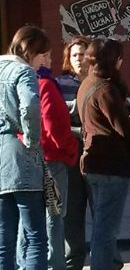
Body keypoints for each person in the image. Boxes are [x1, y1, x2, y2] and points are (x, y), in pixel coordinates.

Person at [77, 38, 130, 270]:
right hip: (110, 164)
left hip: (93, 162)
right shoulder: (105, 89)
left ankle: (109, 264)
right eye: (119, 58)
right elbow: (123, 127)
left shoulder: (88, 83)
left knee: (102, 223)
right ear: (114, 60)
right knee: (106, 229)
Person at [18, 49, 79, 270]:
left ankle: (24, 263)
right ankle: (54, 264)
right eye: (46, 55)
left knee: (28, 217)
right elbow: (54, 126)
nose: (50, 60)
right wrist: (70, 148)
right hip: (51, 158)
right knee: (54, 215)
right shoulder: (44, 84)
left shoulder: (19, 82)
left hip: (28, 157)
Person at [0, 25, 50, 270]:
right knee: (35, 237)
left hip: (1, 156)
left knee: (4, 240)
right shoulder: (24, 71)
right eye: (43, 55)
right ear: (31, 51)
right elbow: (30, 104)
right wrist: (32, 138)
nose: (44, 62)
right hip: (21, 153)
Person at [56, 36, 99, 270]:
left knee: (101, 209)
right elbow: (56, 116)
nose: (79, 59)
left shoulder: (99, 81)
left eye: (83, 54)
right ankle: (73, 261)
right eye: (74, 55)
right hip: (71, 155)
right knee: (72, 211)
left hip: (97, 153)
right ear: (68, 59)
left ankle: (107, 260)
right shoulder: (60, 83)